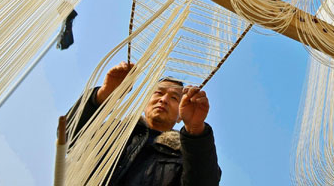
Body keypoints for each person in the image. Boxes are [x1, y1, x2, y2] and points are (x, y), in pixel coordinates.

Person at [66, 62, 221, 186]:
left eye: (174, 98)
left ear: (181, 115)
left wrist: (195, 130)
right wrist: (104, 93)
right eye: (159, 93)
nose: (164, 99)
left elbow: (205, 182)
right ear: (145, 103)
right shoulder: (113, 131)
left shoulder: (186, 154)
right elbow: (69, 137)